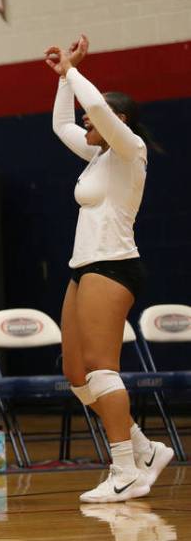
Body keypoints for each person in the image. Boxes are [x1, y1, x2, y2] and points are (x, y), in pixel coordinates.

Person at [46, 35, 173, 503]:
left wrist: (76, 72)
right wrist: (63, 77)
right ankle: (144, 448)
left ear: (118, 122)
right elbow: (63, 122)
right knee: (78, 376)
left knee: (102, 369)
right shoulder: (98, 154)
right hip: (84, 267)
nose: (85, 121)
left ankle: (123, 470)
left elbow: (93, 107)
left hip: (114, 265)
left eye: (94, 119)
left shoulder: (128, 148)